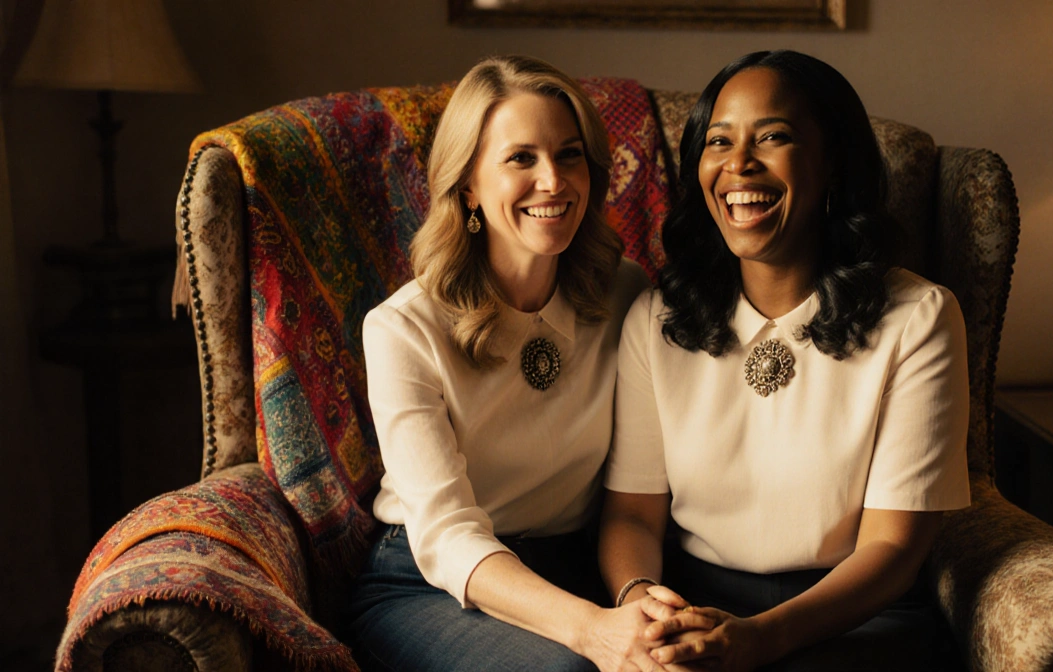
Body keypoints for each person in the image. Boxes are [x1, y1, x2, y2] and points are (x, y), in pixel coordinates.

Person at [599, 50, 971, 671]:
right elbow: (632, 514)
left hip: (852, 619)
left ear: (832, 163)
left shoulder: (920, 317)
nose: (739, 164)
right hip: (690, 602)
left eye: (773, 136)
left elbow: (894, 545)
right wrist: (645, 605)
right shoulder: (656, 316)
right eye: (719, 141)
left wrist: (762, 638)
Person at [348, 55, 668, 672]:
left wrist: (639, 604)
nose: (553, 181)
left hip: (579, 567)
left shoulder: (626, 295)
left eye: (569, 154)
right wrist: (592, 632)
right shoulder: (403, 328)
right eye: (521, 158)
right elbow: (446, 536)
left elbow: (642, 489)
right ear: (467, 182)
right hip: (434, 581)